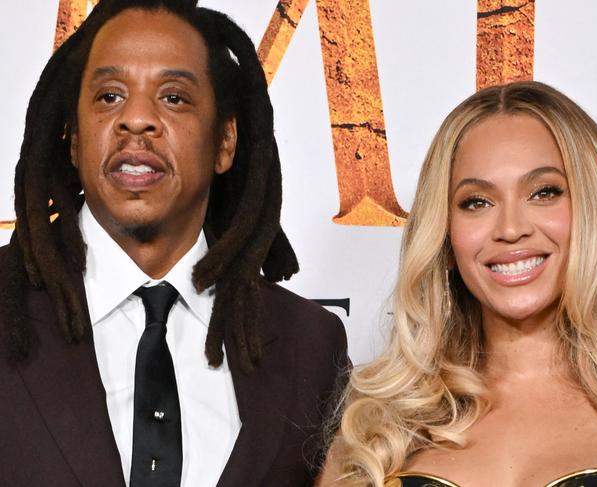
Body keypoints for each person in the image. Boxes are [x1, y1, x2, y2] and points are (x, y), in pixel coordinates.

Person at [0, 0, 348, 485]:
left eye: (174, 97)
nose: (137, 119)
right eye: (109, 96)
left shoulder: (311, 345)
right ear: (74, 139)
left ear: (225, 142)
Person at [317, 81, 597, 486]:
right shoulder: (381, 427)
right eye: (477, 202)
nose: (510, 229)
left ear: (593, 208)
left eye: (544, 193)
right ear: (445, 230)